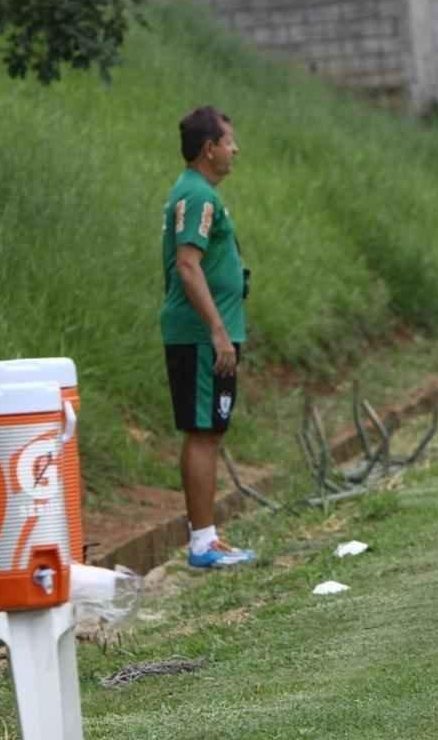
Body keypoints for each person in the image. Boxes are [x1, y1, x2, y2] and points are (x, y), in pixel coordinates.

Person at [160, 106, 255, 569]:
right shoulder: (196, 196)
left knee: (211, 432)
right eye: (229, 140)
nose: (235, 149)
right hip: (200, 337)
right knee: (202, 433)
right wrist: (217, 331)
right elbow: (187, 264)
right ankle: (202, 542)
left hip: (214, 335)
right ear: (209, 148)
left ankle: (209, 538)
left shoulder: (202, 194)